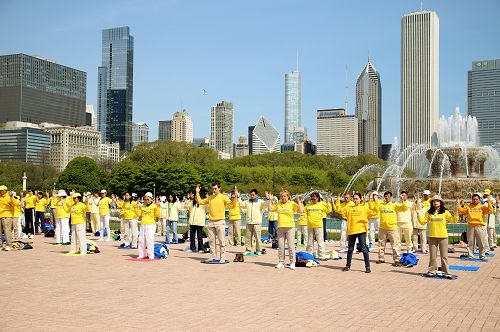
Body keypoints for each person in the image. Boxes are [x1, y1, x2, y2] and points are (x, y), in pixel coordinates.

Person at [417, 195, 457, 279]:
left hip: (443, 236)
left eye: (437, 201)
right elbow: (423, 222)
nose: (435, 202)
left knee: (444, 256)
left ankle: (446, 272)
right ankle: (432, 271)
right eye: (434, 201)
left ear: (441, 202)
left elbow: (454, 220)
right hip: (432, 236)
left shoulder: (445, 212)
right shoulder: (429, 212)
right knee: (432, 256)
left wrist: (456, 212)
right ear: (432, 203)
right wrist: (418, 215)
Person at [196, 183, 233, 263]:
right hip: (211, 221)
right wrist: (197, 192)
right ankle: (212, 256)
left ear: (219, 188)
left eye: (215, 188)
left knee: (221, 241)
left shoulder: (223, 197)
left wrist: (235, 198)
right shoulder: (210, 198)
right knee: (211, 241)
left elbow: (231, 205)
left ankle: (222, 257)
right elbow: (200, 202)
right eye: (213, 189)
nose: (214, 190)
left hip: (220, 221)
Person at [335, 192, 372, 273]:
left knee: (364, 249)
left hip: (361, 230)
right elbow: (339, 210)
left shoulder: (364, 207)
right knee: (350, 249)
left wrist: (373, 201)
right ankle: (348, 266)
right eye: (354, 199)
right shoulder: (349, 208)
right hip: (351, 231)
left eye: (356, 199)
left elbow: (374, 212)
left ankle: (367, 266)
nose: (355, 200)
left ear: (360, 199)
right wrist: (338, 200)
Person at [369, 191, 407, 265]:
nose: (387, 197)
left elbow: (404, 208)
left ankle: (397, 260)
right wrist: (372, 199)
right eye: (385, 196)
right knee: (381, 244)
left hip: (392, 228)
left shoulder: (394, 205)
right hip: (383, 228)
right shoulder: (381, 205)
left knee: (395, 245)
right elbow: (373, 209)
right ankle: (381, 258)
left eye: (388, 196)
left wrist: (403, 200)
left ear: (391, 197)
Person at [268, 190, 302, 269]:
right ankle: (281, 262)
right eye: (282, 196)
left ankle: (292, 262)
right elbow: (270, 209)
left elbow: (300, 211)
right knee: (280, 246)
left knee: (291, 246)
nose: (283, 198)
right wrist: (270, 200)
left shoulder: (292, 204)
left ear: (288, 197)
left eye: (284, 196)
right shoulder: (278, 204)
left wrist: (299, 201)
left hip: (290, 227)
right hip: (280, 227)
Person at [456, 192, 493, 260]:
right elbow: (460, 210)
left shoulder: (482, 206)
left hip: (480, 226)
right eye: (473, 199)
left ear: (479, 199)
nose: (475, 200)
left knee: (481, 242)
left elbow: (490, 210)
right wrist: (458, 203)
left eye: (476, 199)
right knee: (470, 242)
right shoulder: (468, 206)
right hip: (471, 226)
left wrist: (489, 201)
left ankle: (482, 256)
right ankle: (470, 255)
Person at [301, 192, 331, 260]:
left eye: (314, 199)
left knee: (320, 242)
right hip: (310, 226)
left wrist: (328, 202)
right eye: (312, 199)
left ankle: (321, 256)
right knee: (310, 242)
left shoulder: (321, 205)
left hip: (318, 226)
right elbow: (302, 211)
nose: (313, 200)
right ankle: (309, 255)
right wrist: (301, 202)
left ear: (318, 198)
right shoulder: (308, 206)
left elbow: (329, 209)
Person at [239, 188, 267, 255]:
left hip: (257, 223)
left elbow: (266, 204)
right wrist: (238, 197)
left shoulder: (260, 202)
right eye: (251, 195)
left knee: (258, 238)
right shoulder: (247, 201)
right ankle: (248, 250)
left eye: (253, 195)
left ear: (256, 195)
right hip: (249, 222)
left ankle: (258, 250)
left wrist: (268, 199)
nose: (252, 196)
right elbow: (241, 205)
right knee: (248, 238)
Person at [135, 192, 160, 259]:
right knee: (141, 240)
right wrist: (137, 208)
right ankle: (142, 254)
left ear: (151, 199)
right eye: (145, 199)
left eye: (147, 199)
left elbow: (157, 215)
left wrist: (158, 207)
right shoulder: (143, 206)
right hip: (143, 224)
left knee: (149, 240)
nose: (146, 201)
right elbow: (139, 215)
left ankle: (151, 255)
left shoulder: (154, 206)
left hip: (151, 224)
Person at [0, 185, 15, 251]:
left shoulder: (9, 196)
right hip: (0, 215)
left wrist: (12, 196)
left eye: (1, 190)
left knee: (7, 231)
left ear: (5, 191)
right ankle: (0, 245)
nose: (0, 191)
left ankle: (8, 245)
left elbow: (14, 204)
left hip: (7, 216)